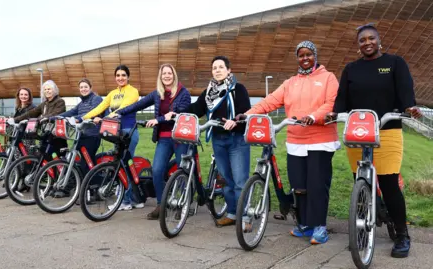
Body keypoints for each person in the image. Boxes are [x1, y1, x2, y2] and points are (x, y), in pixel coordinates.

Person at [326, 23, 422, 257]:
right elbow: (342, 97)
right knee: (361, 182)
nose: (367, 42)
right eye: (362, 40)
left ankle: (401, 234)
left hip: (387, 130)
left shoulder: (395, 63)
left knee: (389, 185)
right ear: (358, 45)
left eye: (371, 39)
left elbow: (405, 89)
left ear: (379, 41)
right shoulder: (351, 68)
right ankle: (364, 225)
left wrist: (409, 106)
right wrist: (335, 113)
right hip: (358, 131)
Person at [238, 41, 340, 243]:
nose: (305, 58)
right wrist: (247, 114)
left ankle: (319, 226)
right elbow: (270, 101)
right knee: (299, 185)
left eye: (309, 54)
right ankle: (305, 224)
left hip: (320, 140)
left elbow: (331, 103)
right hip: (296, 140)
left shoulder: (328, 78)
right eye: (301, 55)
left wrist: (314, 116)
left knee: (317, 185)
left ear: (315, 55)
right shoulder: (290, 83)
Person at [168, 55, 251, 227]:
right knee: (226, 179)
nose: (217, 70)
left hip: (236, 139)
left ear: (229, 70)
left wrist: (235, 120)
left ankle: (245, 217)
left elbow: (245, 111)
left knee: (239, 180)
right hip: (218, 139)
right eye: (214, 68)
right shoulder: (209, 93)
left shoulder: (238, 89)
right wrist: (178, 113)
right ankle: (232, 213)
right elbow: (196, 109)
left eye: (221, 67)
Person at [115, 63, 191, 220]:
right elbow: (137, 105)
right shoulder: (158, 93)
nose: (167, 76)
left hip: (180, 138)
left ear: (174, 75)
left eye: (169, 73)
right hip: (163, 138)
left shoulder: (183, 93)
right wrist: (118, 113)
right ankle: (161, 204)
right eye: (164, 74)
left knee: (182, 170)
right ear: (160, 76)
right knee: (156, 170)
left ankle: (183, 204)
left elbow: (181, 113)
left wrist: (159, 119)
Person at [82, 65, 142, 210]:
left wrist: (103, 119)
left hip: (129, 131)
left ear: (128, 77)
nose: (120, 78)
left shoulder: (133, 91)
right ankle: (135, 198)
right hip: (116, 132)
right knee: (120, 164)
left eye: (123, 75)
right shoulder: (112, 93)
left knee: (125, 165)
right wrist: (84, 118)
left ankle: (126, 201)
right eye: (118, 75)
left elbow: (123, 108)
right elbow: (99, 107)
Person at [55, 78, 104, 177]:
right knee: (81, 162)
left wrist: (78, 119)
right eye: (81, 87)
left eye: (85, 87)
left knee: (87, 163)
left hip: (92, 135)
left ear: (90, 88)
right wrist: (55, 117)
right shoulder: (81, 103)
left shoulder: (96, 99)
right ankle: (86, 184)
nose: (83, 89)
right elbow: (70, 112)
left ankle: (93, 184)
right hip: (81, 135)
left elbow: (91, 113)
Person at [14, 80, 68, 163]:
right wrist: (15, 119)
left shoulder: (60, 101)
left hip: (56, 136)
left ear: (54, 90)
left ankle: (61, 175)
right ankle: (46, 174)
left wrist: (41, 118)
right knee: (43, 157)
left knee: (56, 158)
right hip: (45, 134)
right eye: (45, 90)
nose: (47, 91)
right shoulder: (44, 104)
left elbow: (55, 114)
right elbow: (31, 113)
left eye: (49, 89)